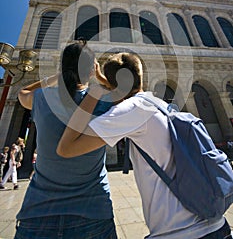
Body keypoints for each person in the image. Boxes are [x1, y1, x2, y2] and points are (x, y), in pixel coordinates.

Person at [57, 52, 232, 239]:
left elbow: (66, 148)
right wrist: (109, 82)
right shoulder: (154, 103)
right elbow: (125, 91)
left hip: (182, 233)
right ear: (139, 76)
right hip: (216, 225)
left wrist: (94, 93)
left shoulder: (131, 111)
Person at [14, 40, 117, 239]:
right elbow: (130, 96)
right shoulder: (104, 102)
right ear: (90, 71)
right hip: (93, 213)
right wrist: (102, 78)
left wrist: (55, 78)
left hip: (38, 215)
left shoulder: (42, 98)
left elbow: (22, 93)